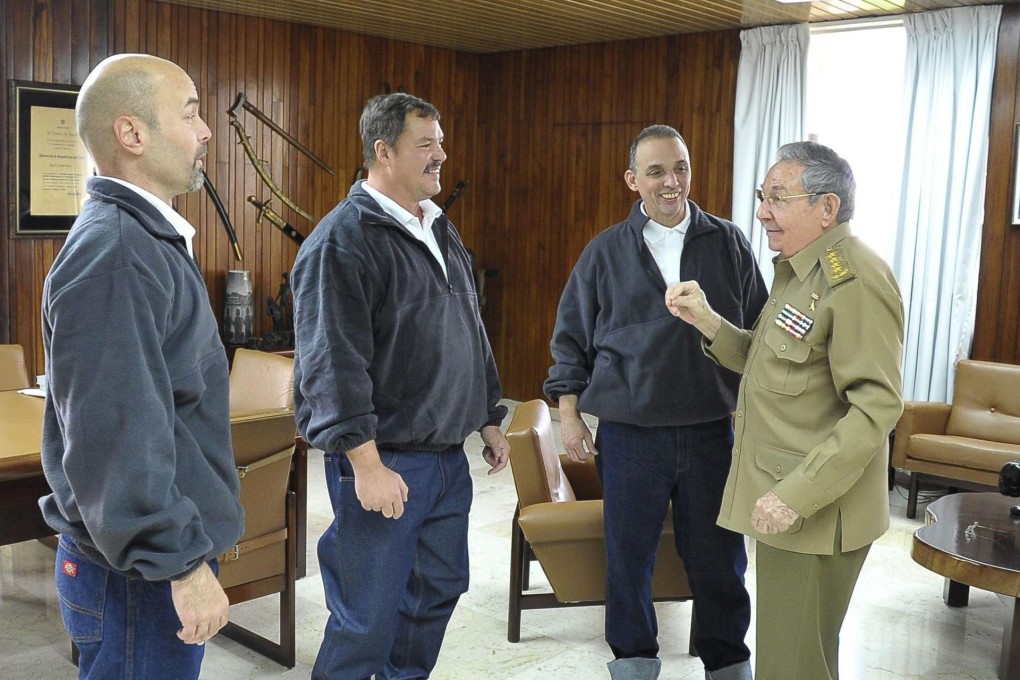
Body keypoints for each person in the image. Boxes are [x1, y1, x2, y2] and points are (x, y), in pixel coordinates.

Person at [291, 92, 511, 680]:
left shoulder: (439, 227)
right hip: (386, 462)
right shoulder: (341, 243)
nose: (442, 154)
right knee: (365, 617)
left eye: (440, 141)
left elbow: (469, 325)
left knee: (436, 593)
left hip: (446, 461)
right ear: (383, 152)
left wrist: (487, 413)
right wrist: (365, 465)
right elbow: (330, 367)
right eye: (427, 144)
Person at [665, 141, 904, 680]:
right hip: (789, 501)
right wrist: (708, 321)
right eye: (762, 195)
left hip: (814, 508)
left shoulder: (854, 279)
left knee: (791, 667)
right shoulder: (800, 272)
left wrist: (795, 496)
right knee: (795, 659)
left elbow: (876, 406)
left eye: (778, 197)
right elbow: (770, 364)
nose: (761, 211)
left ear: (827, 209)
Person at [39, 54, 243, 680]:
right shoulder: (119, 254)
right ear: (131, 135)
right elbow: (116, 438)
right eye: (190, 113)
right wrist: (178, 562)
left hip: (142, 567)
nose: (206, 130)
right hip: (139, 578)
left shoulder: (142, 242)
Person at [545, 125, 767, 680]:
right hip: (630, 434)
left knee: (720, 558)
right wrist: (569, 415)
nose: (672, 182)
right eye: (656, 171)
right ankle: (636, 661)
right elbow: (570, 339)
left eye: (681, 168)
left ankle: (727, 661)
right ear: (632, 180)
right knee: (627, 559)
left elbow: (760, 333)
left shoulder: (730, 242)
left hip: (710, 429)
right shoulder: (604, 251)